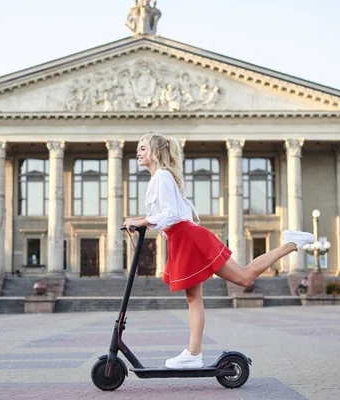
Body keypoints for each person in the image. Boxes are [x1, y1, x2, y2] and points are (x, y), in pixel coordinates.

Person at [123, 132, 315, 369]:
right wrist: (143, 223)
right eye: (138, 149)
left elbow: (170, 215)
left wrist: (141, 221)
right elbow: (165, 220)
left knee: (233, 282)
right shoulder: (159, 179)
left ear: (157, 152)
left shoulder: (162, 176)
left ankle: (291, 244)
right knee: (202, 295)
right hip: (181, 238)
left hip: (188, 238)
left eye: (143, 148)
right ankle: (193, 353)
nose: (138, 152)